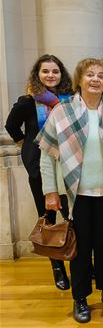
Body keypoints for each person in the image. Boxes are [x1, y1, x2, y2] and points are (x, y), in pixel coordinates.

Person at [37, 58, 103, 323]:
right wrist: (51, 192)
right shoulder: (61, 112)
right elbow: (47, 156)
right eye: (90, 75)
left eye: (101, 75)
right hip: (77, 194)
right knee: (80, 248)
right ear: (80, 79)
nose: (95, 79)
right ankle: (81, 298)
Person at [5, 54, 73, 290]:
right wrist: (25, 144)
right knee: (50, 217)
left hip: (68, 164)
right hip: (40, 167)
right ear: (38, 74)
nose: (51, 76)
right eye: (45, 71)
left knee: (73, 216)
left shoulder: (70, 99)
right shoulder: (28, 101)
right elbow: (10, 126)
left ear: (61, 74)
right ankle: (58, 268)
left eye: (55, 71)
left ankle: (77, 260)